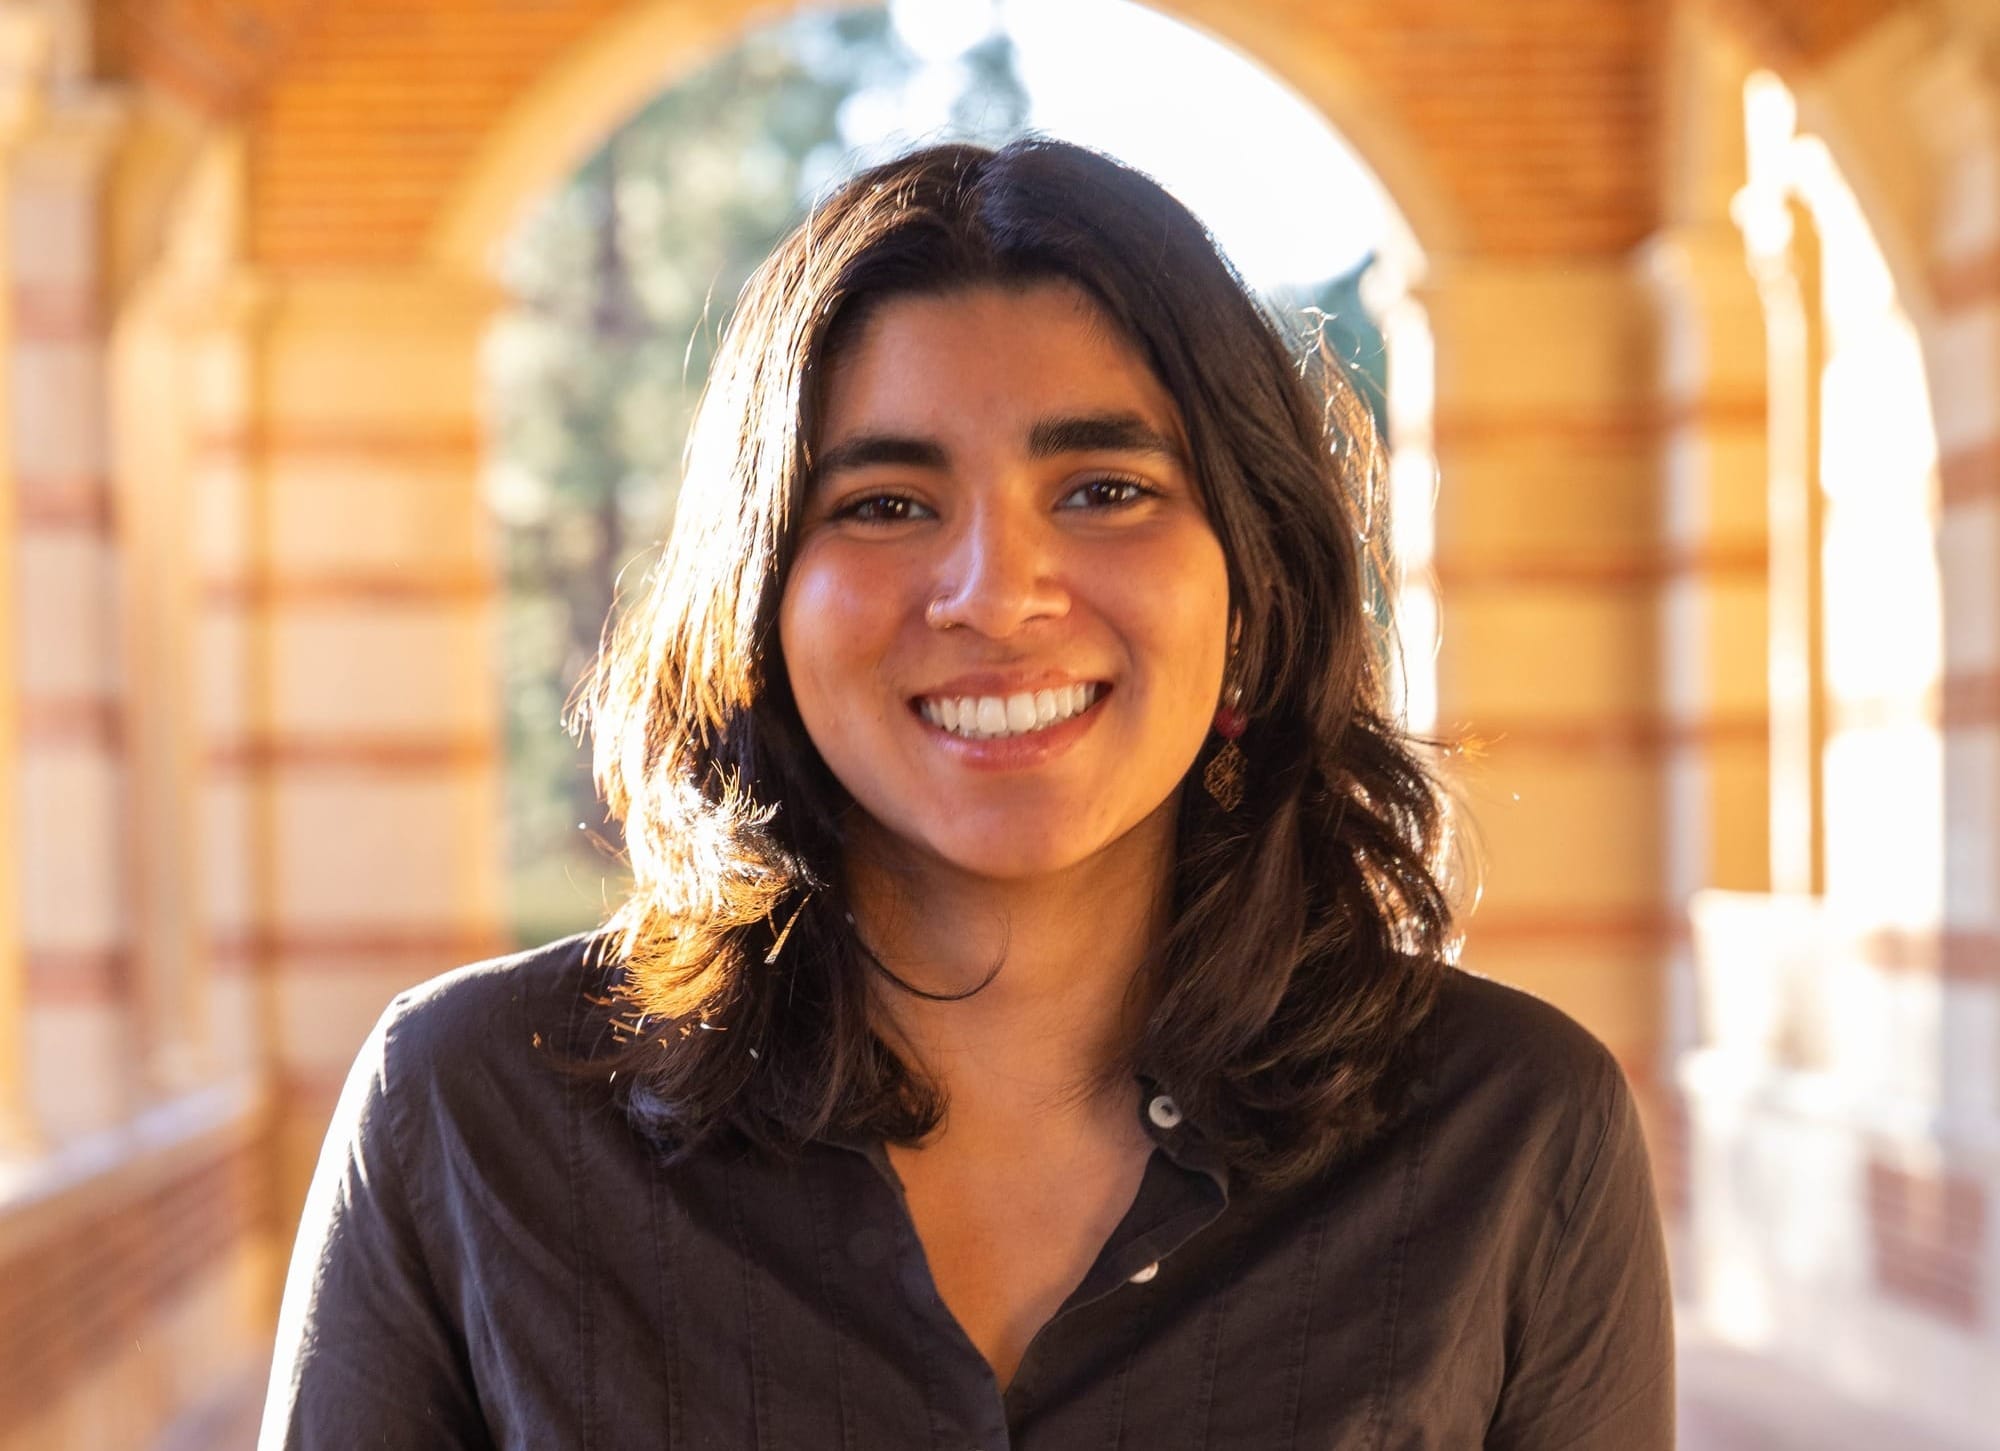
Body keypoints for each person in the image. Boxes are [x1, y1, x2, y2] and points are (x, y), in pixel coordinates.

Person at [260, 138, 1673, 1449]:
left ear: (1251, 591)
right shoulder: (468, 1114)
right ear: (762, 606)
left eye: (1105, 490)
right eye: (884, 504)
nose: (997, 596)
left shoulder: (1514, 1137)